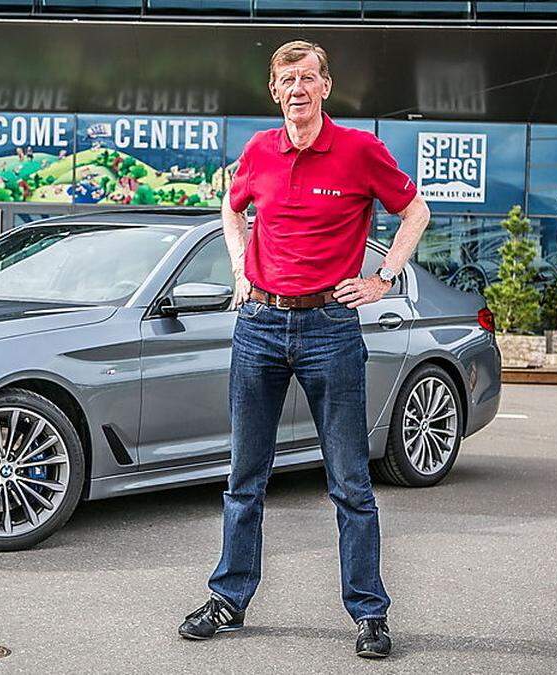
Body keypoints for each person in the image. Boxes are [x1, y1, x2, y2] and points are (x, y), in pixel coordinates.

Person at [177, 40, 432, 659]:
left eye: (308, 77)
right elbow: (231, 209)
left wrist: (385, 278)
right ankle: (229, 598)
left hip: (331, 327)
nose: (298, 87)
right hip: (259, 324)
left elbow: (415, 210)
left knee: (349, 482)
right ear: (275, 90)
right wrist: (239, 268)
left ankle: (369, 613)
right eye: (287, 78)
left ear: (326, 86)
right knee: (245, 478)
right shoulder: (259, 152)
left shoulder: (359, 151)